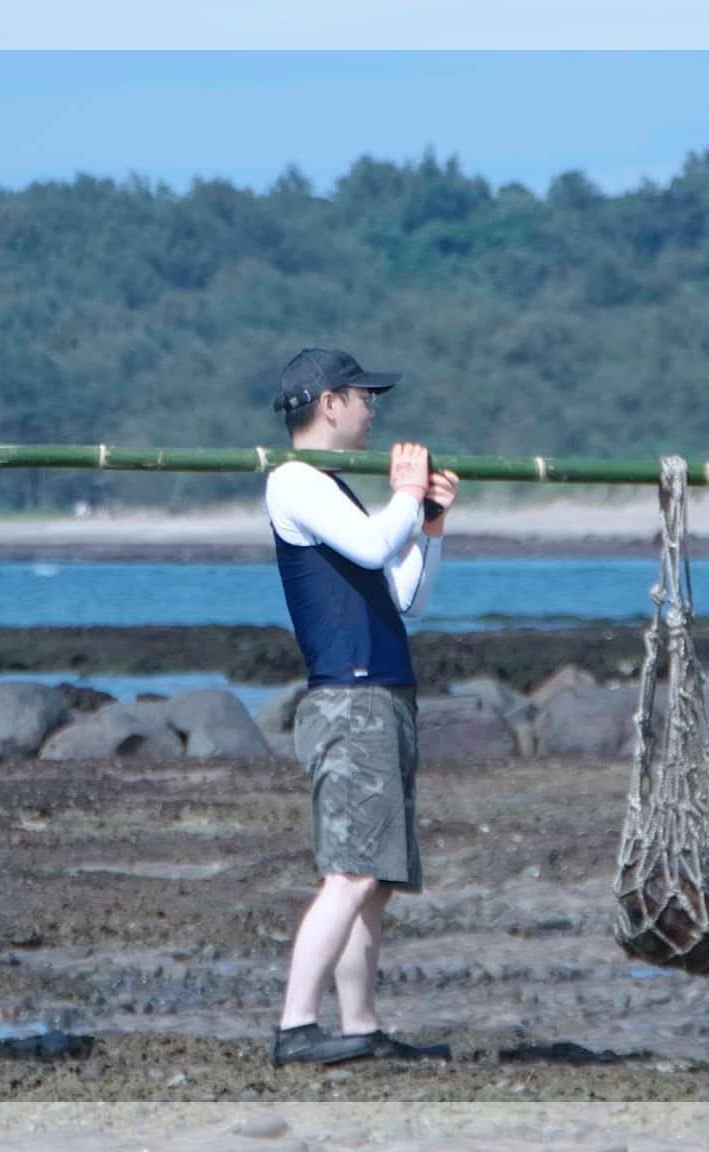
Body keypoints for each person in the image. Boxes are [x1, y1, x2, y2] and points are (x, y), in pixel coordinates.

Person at [264, 347, 460, 1067]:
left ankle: (360, 1025)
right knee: (349, 873)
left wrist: (429, 524)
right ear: (329, 404)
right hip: (348, 700)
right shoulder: (294, 481)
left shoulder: (336, 488)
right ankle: (295, 1026)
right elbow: (377, 546)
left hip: (383, 694)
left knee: (373, 880)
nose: (372, 410)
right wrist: (405, 496)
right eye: (363, 397)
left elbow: (406, 594)